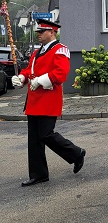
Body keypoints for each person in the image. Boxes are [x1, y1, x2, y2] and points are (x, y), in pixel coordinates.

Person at [12, 19, 85, 187]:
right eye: (38, 31)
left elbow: (61, 73)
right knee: (34, 139)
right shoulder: (37, 52)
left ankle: (76, 153)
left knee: (46, 135)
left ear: (52, 32)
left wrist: (41, 80)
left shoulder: (61, 49)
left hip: (48, 99)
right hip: (34, 100)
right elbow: (29, 70)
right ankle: (39, 174)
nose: (38, 34)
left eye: (41, 31)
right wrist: (22, 77)